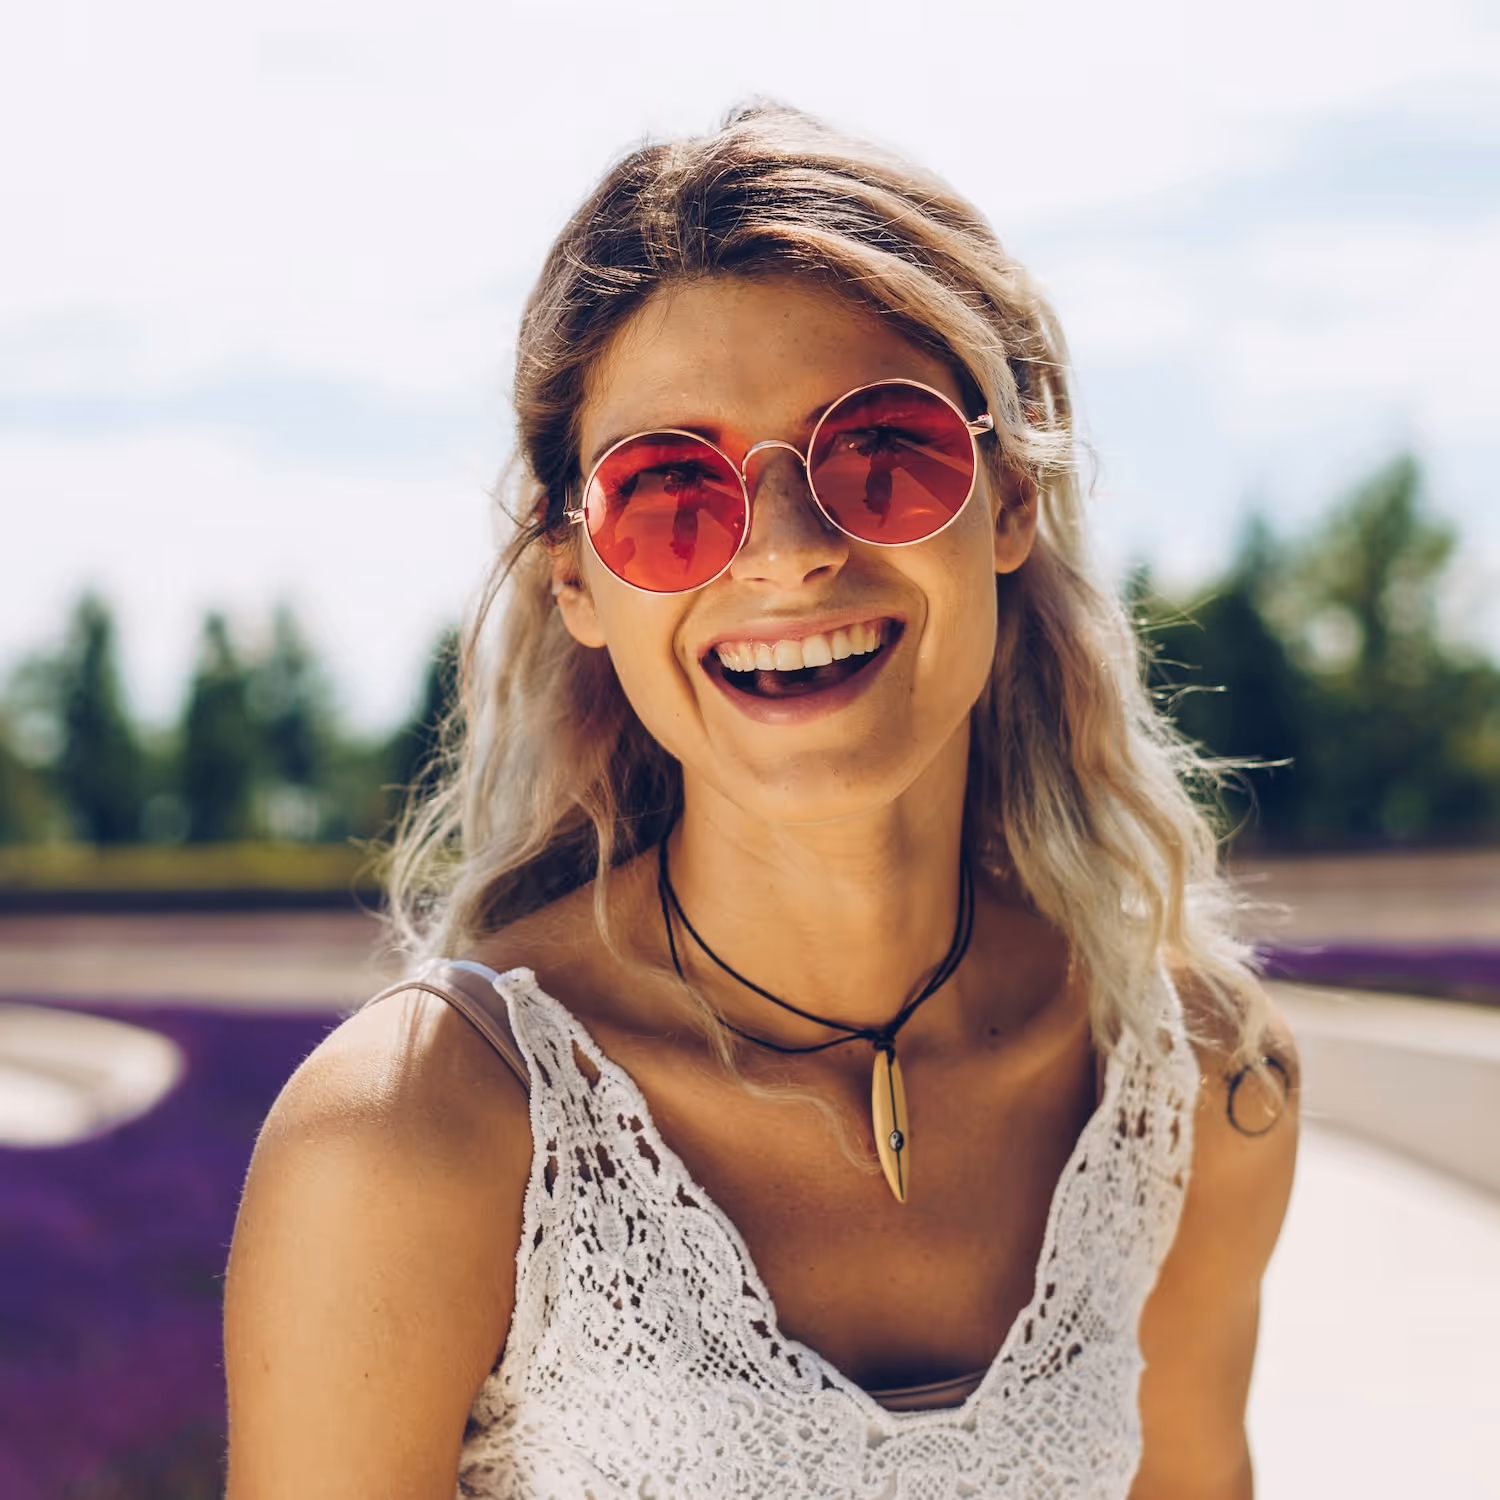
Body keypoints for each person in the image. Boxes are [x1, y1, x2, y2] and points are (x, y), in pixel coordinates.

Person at [223, 103, 1299, 1499]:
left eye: (883, 456)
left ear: (1010, 501)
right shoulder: (416, 1132)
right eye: (674, 492)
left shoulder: (1195, 1087)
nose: (787, 555)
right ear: (578, 581)